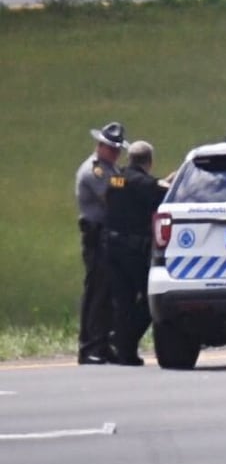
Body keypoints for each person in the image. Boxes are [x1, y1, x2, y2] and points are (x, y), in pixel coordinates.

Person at [104, 141, 167, 366]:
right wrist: (166, 183)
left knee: (123, 300)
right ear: (149, 161)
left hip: (112, 247)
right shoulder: (145, 184)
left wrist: (160, 182)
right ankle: (125, 341)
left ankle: (123, 351)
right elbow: (156, 192)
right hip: (134, 250)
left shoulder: (115, 178)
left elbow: (130, 185)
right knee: (150, 299)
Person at [75, 121, 126, 364]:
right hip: (96, 236)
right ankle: (89, 346)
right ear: (100, 145)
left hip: (109, 236)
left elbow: (121, 187)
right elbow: (112, 198)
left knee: (109, 293)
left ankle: (104, 344)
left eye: (117, 149)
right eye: (111, 148)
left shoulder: (111, 169)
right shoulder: (95, 170)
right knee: (96, 292)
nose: (115, 153)